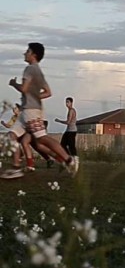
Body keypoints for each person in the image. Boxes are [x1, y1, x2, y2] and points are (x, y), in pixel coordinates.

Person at [2, 42, 78, 179]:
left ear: (33, 55)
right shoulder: (38, 71)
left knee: (42, 139)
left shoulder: (30, 69)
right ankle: (16, 168)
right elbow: (48, 92)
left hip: (31, 112)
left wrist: (14, 84)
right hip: (26, 111)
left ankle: (69, 160)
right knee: (11, 136)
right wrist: (34, 97)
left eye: (27, 51)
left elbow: (24, 89)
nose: (24, 53)